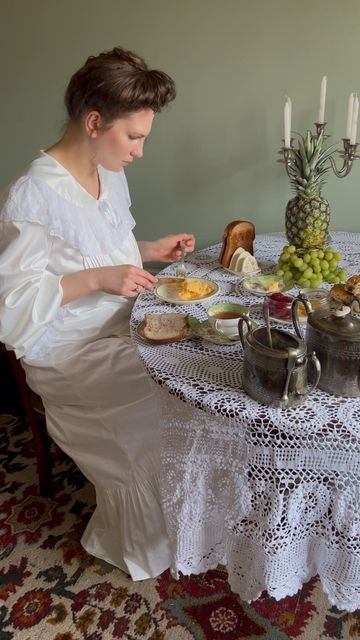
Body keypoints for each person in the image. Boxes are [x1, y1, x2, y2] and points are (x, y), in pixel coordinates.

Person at [0, 46, 195, 580]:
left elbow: (105, 244)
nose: (138, 151)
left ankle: (189, 516)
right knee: (167, 391)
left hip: (117, 321)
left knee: (192, 364)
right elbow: (12, 306)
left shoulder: (108, 173)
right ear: (94, 122)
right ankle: (141, 538)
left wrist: (151, 248)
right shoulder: (31, 195)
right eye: (134, 137)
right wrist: (98, 280)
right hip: (65, 347)